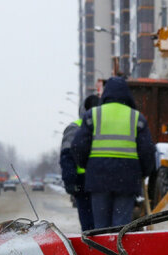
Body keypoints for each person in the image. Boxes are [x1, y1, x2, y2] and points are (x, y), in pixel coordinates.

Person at [71, 75, 158, 230]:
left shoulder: (93, 115)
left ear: (105, 93)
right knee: (121, 227)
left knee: (100, 228)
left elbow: (78, 147)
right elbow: (147, 151)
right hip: (127, 180)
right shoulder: (136, 118)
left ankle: (102, 252)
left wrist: (88, 166)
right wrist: (143, 172)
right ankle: (117, 253)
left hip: (98, 179)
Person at [60, 93, 100, 232]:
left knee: (89, 225)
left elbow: (66, 156)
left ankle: (93, 249)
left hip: (83, 183)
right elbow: (67, 156)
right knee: (101, 226)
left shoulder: (74, 127)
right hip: (95, 181)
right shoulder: (102, 126)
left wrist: (70, 182)